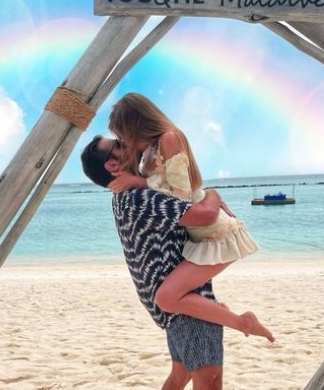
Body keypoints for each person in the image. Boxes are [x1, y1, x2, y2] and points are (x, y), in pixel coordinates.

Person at [81, 134, 227, 390]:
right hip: (185, 301)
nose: (127, 142)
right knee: (208, 383)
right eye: (119, 143)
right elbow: (205, 214)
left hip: (166, 299)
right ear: (112, 164)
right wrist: (213, 194)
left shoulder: (125, 196)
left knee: (180, 374)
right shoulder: (138, 197)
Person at [108, 92, 274, 342]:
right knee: (171, 297)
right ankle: (222, 313)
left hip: (217, 235)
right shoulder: (151, 149)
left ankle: (244, 322)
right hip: (199, 237)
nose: (126, 143)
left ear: (138, 125)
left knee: (166, 298)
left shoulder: (169, 138)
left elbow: (181, 197)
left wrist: (137, 182)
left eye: (125, 136)